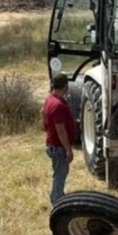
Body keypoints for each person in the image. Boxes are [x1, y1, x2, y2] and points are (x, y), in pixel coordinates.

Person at [42, 73, 78, 204]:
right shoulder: (58, 105)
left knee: (59, 172)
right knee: (60, 175)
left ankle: (59, 195)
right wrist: (68, 149)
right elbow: (61, 129)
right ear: (65, 86)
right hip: (58, 147)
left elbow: (42, 112)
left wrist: (46, 127)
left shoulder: (50, 99)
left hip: (52, 144)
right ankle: (56, 201)